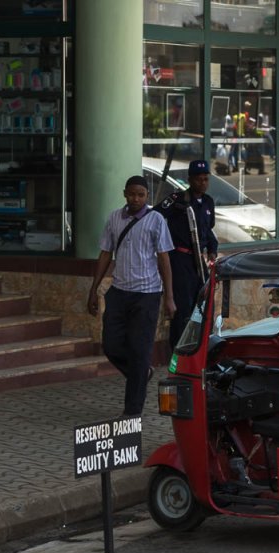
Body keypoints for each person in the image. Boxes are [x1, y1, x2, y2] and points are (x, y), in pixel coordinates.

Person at [87, 176, 176, 416]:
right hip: (119, 292)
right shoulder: (115, 218)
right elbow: (105, 253)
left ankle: (132, 411)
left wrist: (169, 297)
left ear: (147, 196)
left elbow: (164, 259)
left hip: (147, 295)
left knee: (140, 350)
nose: (136, 199)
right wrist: (94, 289)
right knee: (111, 345)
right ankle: (142, 373)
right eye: (132, 194)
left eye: (141, 195)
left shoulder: (156, 220)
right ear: (124, 193)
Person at [153, 160, 218, 349]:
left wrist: (212, 249)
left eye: (206, 179)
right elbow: (155, 215)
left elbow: (209, 231)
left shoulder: (208, 202)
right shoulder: (176, 199)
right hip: (179, 260)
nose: (203, 183)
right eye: (198, 179)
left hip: (199, 261)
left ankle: (198, 349)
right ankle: (177, 352)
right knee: (181, 309)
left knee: (203, 307)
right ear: (190, 179)